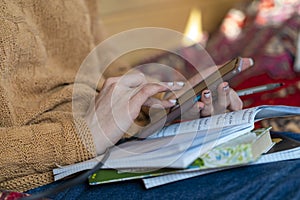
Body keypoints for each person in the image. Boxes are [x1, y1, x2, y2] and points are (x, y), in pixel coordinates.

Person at [0, 0, 246, 194]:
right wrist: (80, 138)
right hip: (46, 177)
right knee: (279, 180)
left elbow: (103, 59)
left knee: (280, 147)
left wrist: (163, 103)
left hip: (119, 141)